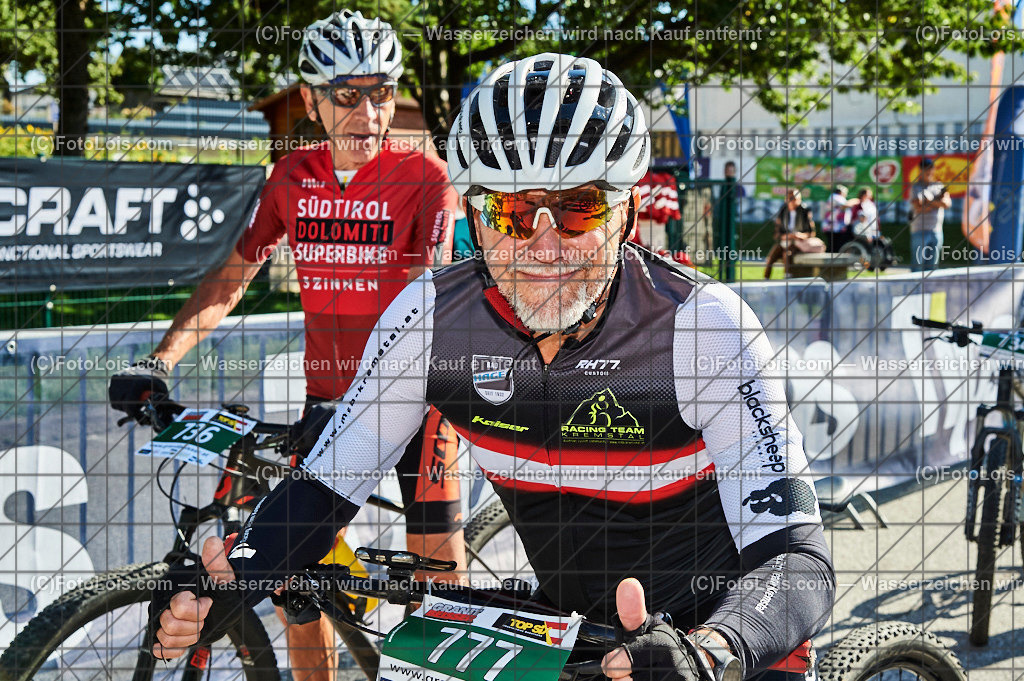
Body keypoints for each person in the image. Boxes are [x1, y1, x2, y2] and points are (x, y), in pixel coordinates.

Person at [149, 53, 835, 681]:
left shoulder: (702, 328)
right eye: (511, 210)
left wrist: (711, 650)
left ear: (626, 213)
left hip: (730, 633)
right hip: (574, 630)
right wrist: (225, 584)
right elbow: (324, 486)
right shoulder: (430, 320)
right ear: (475, 220)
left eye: (579, 207)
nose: (544, 245)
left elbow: (797, 558)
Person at [108, 10, 465, 681]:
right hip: (325, 402)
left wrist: (374, 401)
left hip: (417, 403)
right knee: (295, 587)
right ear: (311, 99)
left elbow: (431, 298)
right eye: (347, 95)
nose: (368, 114)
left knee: (439, 594)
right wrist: (159, 361)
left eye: (383, 93)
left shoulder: (426, 178)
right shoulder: (291, 177)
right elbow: (232, 276)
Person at [763, 188, 820, 279]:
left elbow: (811, 233)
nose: (792, 201)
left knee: (787, 254)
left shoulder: (805, 211)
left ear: (799, 199)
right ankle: (766, 279)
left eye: (795, 198)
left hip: (798, 243)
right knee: (772, 256)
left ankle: (787, 277)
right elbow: (777, 232)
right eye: (790, 198)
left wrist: (799, 235)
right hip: (785, 241)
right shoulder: (783, 211)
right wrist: (784, 236)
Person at [909, 158, 950, 271]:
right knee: (917, 266)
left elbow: (946, 204)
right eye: (925, 168)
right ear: (920, 170)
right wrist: (937, 203)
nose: (928, 171)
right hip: (919, 230)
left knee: (932, 268)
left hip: (936, 230)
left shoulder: (939, 186)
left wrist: (929, 202)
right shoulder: (916, 187)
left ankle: (929, 284)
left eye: (930, 168)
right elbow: (919, 208)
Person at [822, 185, 854, 252]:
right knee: (833, 246)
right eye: (845, 193)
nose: (846, 195)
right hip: (832, 227)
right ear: (841, 192)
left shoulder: (834, 197)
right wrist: (856, 200)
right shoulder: (835, 196)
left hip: (836, 227)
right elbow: (846, 205)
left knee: (836, 245)